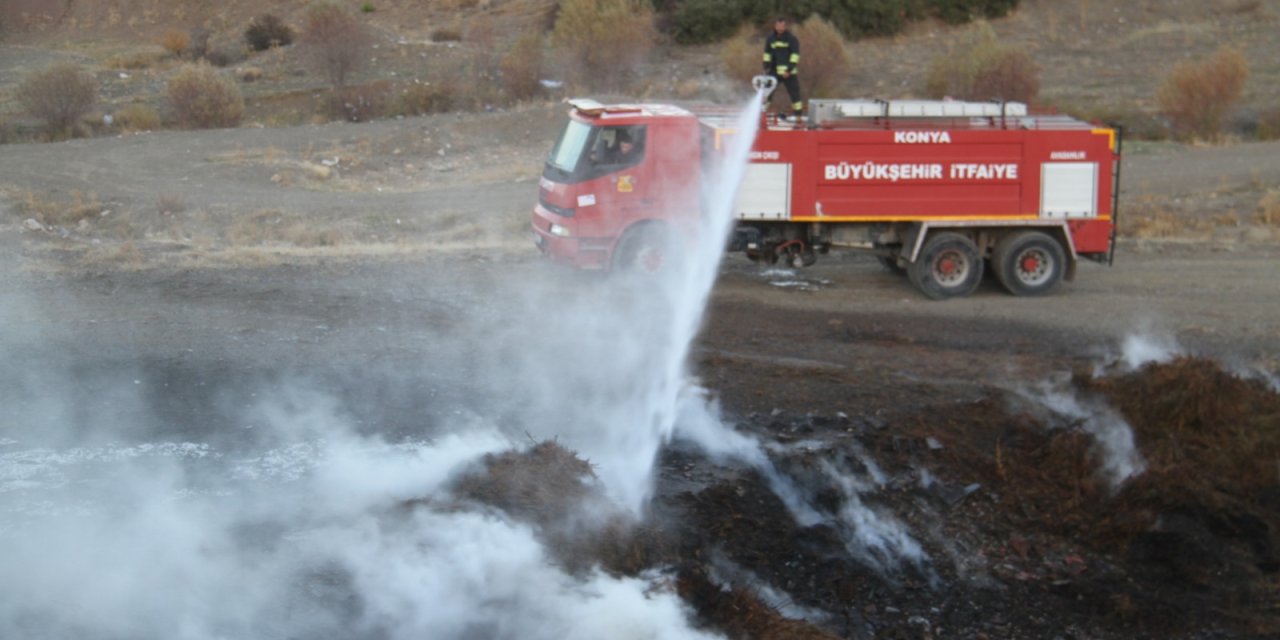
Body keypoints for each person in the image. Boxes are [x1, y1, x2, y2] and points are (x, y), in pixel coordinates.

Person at [763, 16, 803, 121]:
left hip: (789, 73)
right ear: (775, 26)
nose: (780, 28)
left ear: (785, 26)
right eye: (778, 26)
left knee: (795, 94)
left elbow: (795, 56)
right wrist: (766, 66)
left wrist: (788, 70)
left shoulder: (791, 39)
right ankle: (762, 112)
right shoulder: (770, 38)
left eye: (782, 26)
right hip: (773, 72)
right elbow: (767, 53)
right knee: (767, 92)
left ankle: (798, 116)